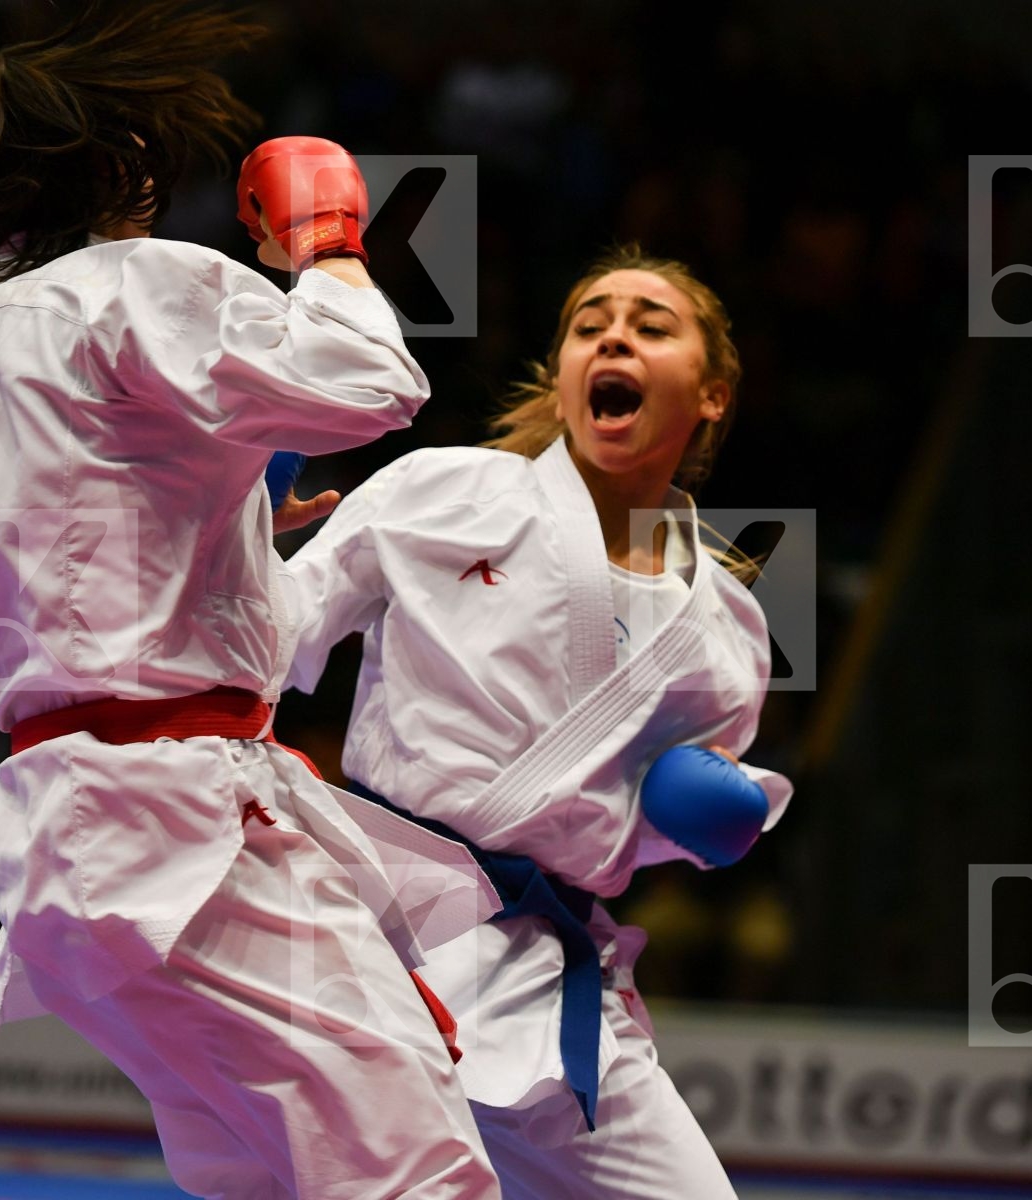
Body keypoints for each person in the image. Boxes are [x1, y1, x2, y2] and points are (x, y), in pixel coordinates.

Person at [0, 5, 501, 1196]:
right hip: (188, 827)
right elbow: (374, 382)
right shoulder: (129, 285)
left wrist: (231, 534)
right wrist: (327, 246)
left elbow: (44, 575)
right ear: (126, 174)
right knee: (418, 1167)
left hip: (64, 841)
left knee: (265, 1175)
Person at [285, 247, 794, 1199]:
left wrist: (709, 822)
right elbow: (268, 639)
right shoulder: (441, 493)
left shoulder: (728, 635)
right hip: (373, 926)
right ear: (564, 377)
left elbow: (630, 831)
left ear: (713, 395)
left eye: (651, 326)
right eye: (589, 322)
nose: (613, 333)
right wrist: (237, 537)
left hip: (544, 959)